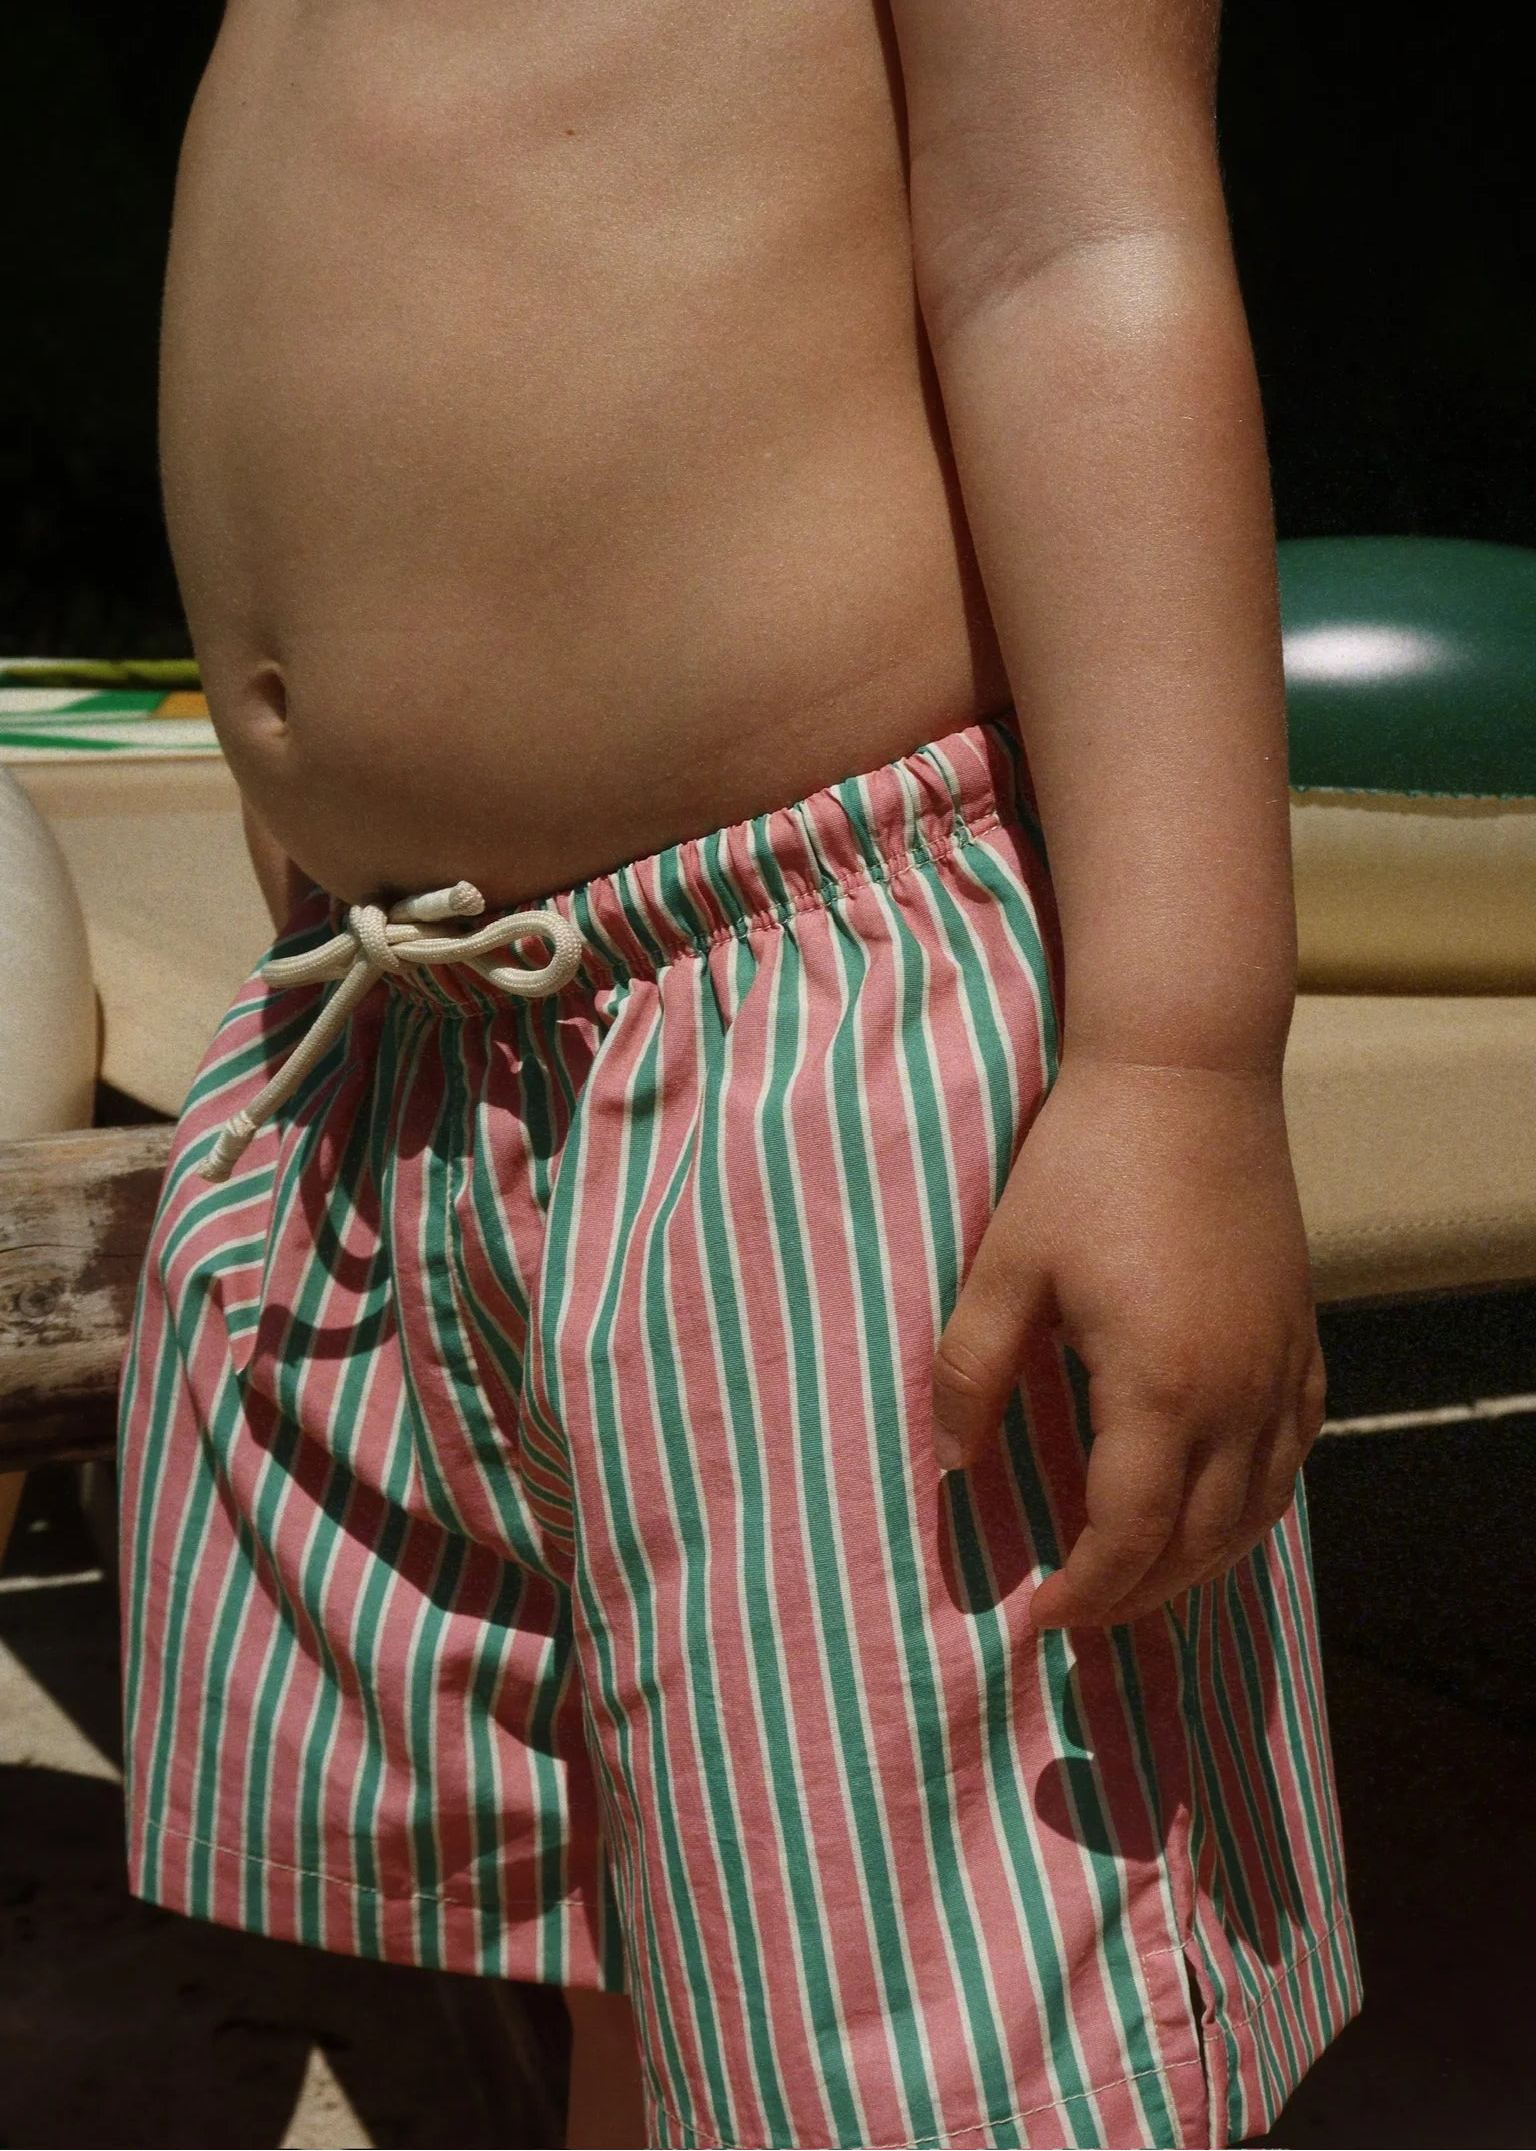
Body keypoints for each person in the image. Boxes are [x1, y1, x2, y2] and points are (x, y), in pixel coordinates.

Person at [119, 1, 1360, 2144]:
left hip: (804, 1051)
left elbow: (1078, 252)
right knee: (653, 1930)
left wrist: (1177, 1056)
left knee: (936, 2033)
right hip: (410, 1033)